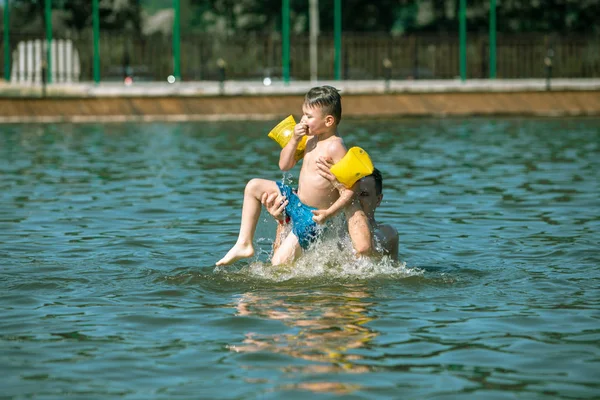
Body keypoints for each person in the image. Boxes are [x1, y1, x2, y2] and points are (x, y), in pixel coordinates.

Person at [216, 86, 359, 266]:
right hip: (296, 200)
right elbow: (284, 165)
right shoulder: (311, 139)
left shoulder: (335, 147)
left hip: (312, 216)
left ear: (328, 121)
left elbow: (352, 189)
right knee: (253, 186)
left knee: (278, 265)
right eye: (303, 114)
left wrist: (328, 213)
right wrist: (294, 140)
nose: (302, 120)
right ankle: (244, 243)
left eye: (308, 116)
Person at [262, 167, 398, 261]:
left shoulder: (387, 233)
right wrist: (283, 221)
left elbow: (363, 249)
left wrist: (347, 195)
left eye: (363, 194)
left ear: (378, 199)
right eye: (350, 194)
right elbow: (281, 266)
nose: (354, 198)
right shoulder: (322, 227)